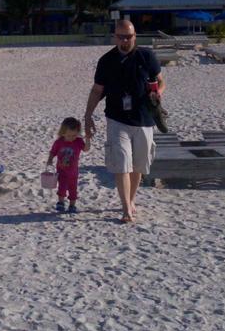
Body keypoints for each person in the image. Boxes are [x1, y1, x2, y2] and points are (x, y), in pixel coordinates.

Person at [84, 20, 164, 223]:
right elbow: (97, 90)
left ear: (135, 36)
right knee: (122, 164)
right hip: (117, 119)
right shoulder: (107, 61)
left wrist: (158, 94)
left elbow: (160, 80)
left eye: (129, 36)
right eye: (121, 36)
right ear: (115, 37)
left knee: (138, 165)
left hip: (144, 119)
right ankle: (126, 208)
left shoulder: (147, 56)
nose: (125, 40)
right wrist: (88, 115)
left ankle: (131, 199)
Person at [46, 117, 87, 214]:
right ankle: (60, 202)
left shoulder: (78, 141)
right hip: (61, 171)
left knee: (73, 189)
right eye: (69, 135)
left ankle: (72, 205)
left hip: (74, 172)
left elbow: (86, 149)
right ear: (63, 133)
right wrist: (50, 160)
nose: (72, 138)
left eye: (74, 135)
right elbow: (53, 152)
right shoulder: (59, 142)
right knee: (62, 187)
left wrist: (88, 139)